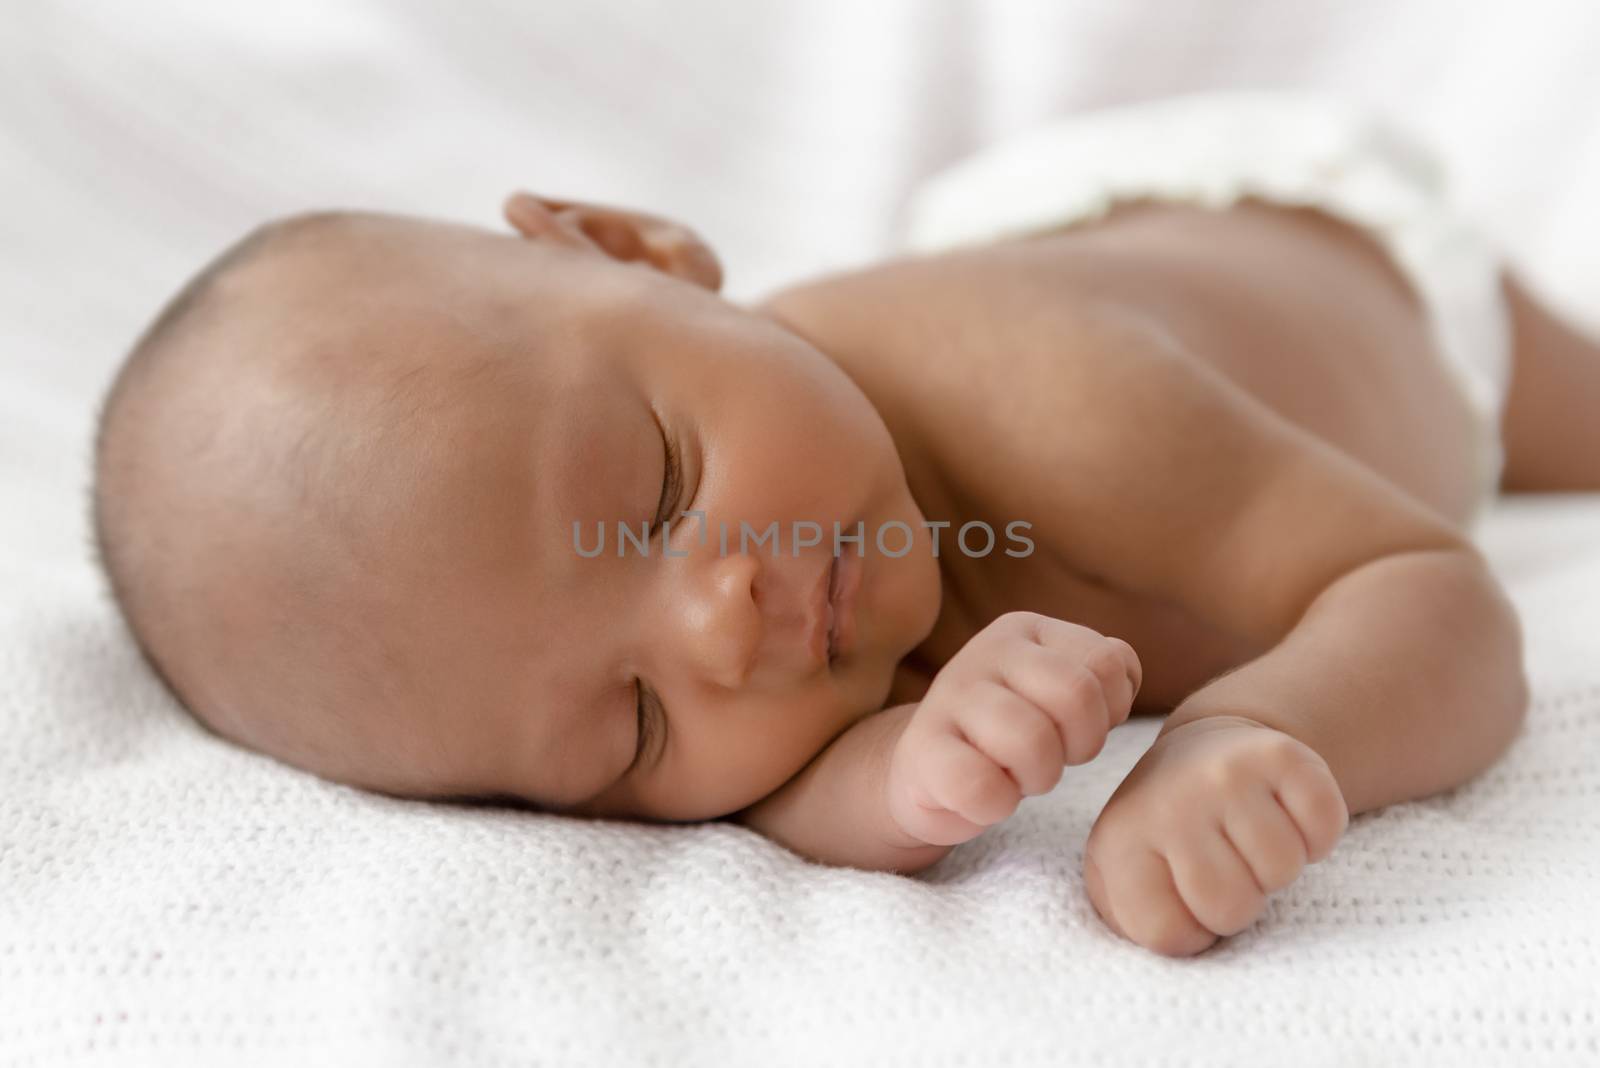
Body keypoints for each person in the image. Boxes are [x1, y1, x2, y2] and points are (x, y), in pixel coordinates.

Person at [90, 91, 1600, 956]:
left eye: (660, 488)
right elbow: (793, 797)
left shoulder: (1052, 399)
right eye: (628, 729)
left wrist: (1250, 738)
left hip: (1354, 275)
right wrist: (912, 784)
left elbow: (1427, 588)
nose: (716, 630)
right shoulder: (775, 623)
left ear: (643, 251)